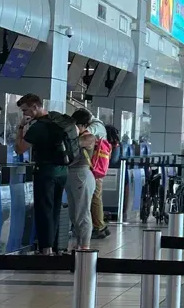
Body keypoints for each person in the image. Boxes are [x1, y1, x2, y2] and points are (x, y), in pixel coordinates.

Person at [14, 93, 80, 254]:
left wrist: (20, 127)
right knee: (55, 209)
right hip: (62, 171)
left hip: (46, 172)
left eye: (25, 110)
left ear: (35, 107)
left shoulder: (39, 127)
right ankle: (55, 247)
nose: (24, 114)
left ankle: (46, 249)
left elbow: (19, 148)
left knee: (44, 210)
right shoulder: (57, 120)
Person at [67, 110, 99, 251]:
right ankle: (79, 244)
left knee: (83, 213)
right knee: (74, 214)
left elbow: (73, 144)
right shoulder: (78, 135)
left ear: (81, 124)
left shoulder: (89, 137)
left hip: (82, 175)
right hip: (72, 175)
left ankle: (85, 246)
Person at [86, 112, 112, 239]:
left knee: (95, 196)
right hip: (98, 165)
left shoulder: (95, 125)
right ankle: (101, 225)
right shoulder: (99, 124)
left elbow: (85, 133)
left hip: (95, 167)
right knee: (96, 195)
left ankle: (99, 227)